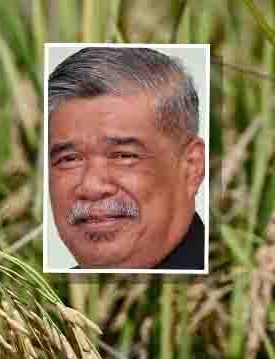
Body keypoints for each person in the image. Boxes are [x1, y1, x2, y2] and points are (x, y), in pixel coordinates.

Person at [47, 47, 206, 270]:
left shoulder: (233, 285)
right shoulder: (40, 299)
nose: (91, 187)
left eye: (123, 156)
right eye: (69, 159)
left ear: (192, 166)